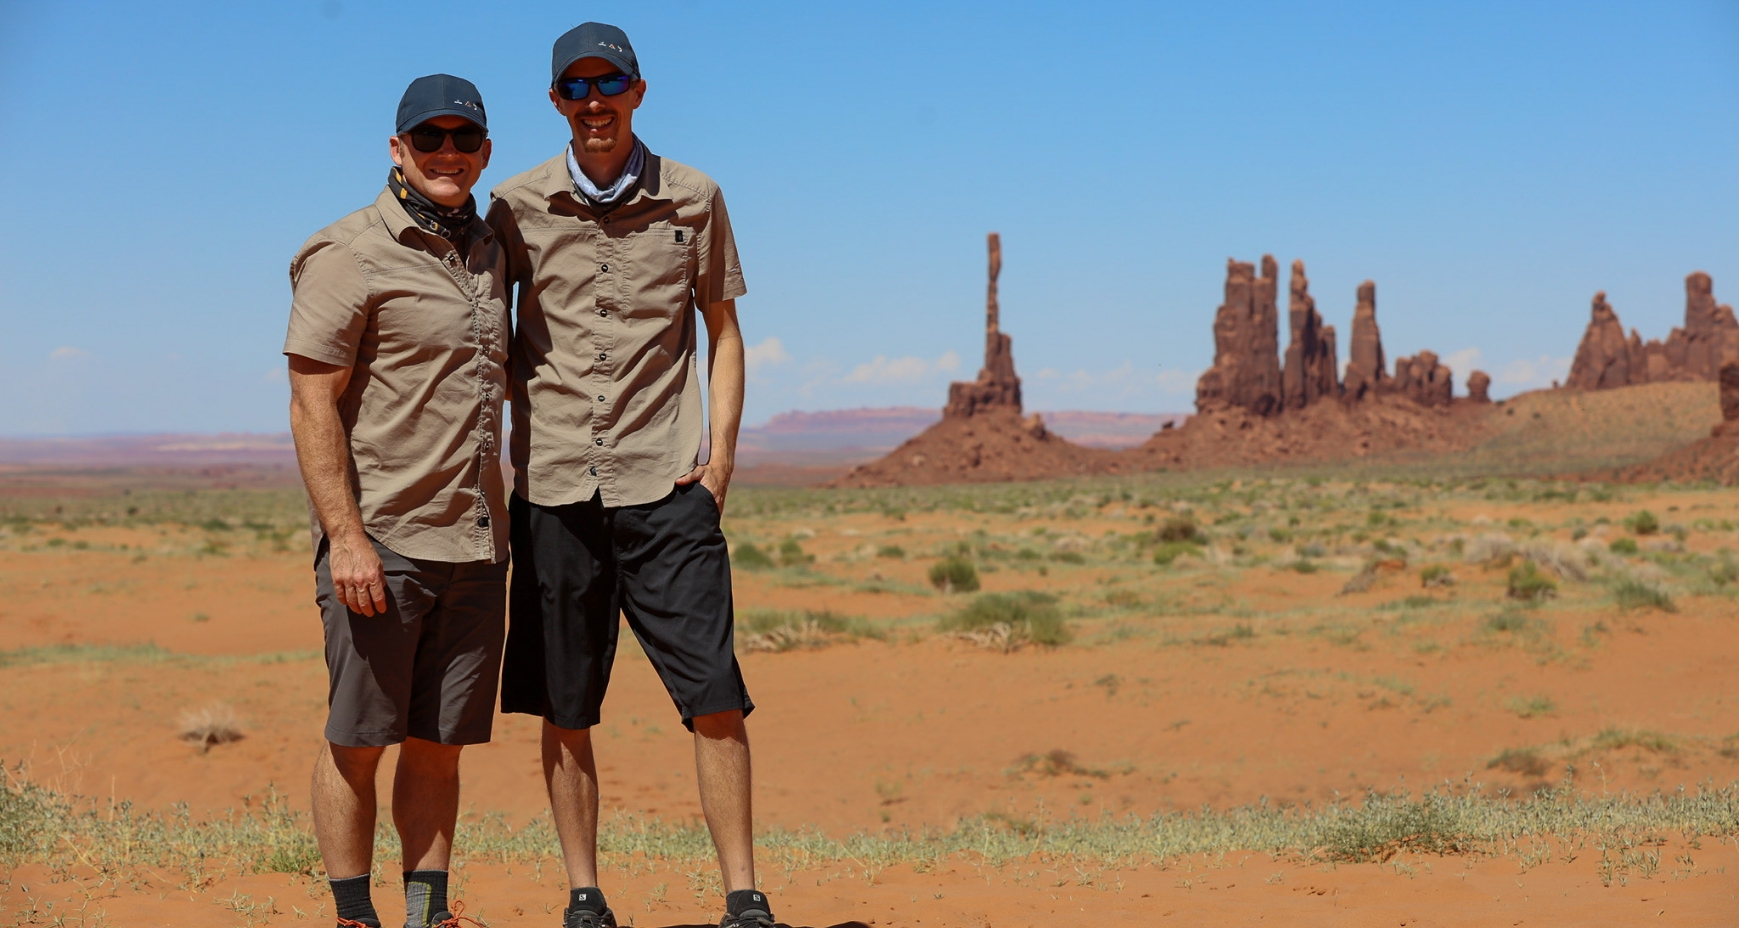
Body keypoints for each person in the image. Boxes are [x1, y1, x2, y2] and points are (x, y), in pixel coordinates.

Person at [487, 22, 772, 928]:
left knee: (716, 696)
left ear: (639, 92)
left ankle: (743, 894)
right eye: (575, 89)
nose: (593, 102)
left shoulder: (694, 197)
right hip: (556, 490)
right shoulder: (514, 205)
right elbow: (484, 345)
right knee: (564, 708)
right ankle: (584, 893)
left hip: (667, 486)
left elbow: (721, 332)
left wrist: (720, 457)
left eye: (608, 85)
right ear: (556, 103)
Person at [285, 74, 509, 928]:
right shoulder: (346, 253)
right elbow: (312, 404)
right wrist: (346, 538)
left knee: (439, 746)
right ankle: (352, 916)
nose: (446, 153)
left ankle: (425, 913)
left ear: (483, 151)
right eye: (429, 138)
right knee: (357, 741)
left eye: (463, 139)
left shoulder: (487, 250)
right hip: (384, 542)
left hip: (477, 544)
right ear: (397, 149)